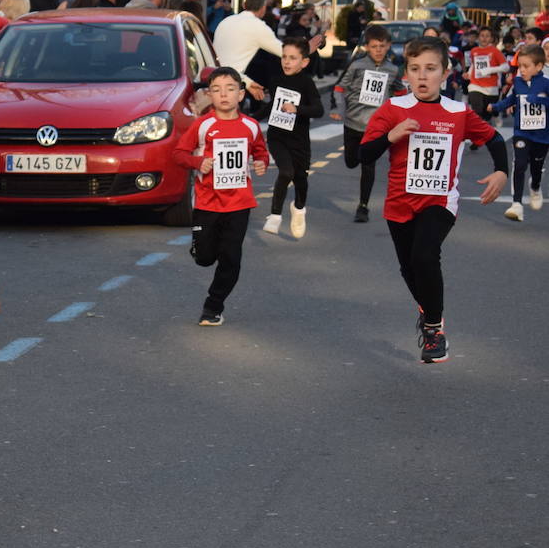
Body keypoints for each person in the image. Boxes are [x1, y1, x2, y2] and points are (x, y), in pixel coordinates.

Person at [358, 37, 508, 363]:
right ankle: (430, 310)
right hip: (399, 204)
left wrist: (501, 172)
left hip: (439, 201)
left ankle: (433, 329)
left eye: (430, 69)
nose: (422, 76)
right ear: (407, 75)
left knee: (425, 256)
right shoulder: (393, 109)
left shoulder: (458, 112)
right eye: (415, 69)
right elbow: (363, 154)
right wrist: (391, 136)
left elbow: (494, 139)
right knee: (409, 269)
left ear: (445, 72)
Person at [172, 67, 269, 326]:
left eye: (230, 89)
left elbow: (261, 153)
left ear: (240, 94)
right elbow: (179, 154)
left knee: (231, 258)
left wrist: (261, 163)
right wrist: (198, 162)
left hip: (239, 202)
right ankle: (199, 247)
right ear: (210, 96)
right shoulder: (203, 126)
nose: (223, 94)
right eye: (216, 89)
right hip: (207, 202)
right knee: (205, 258)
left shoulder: (251, 126)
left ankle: (212, 307)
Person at [331, 24, 407, 222]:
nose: (379, 50)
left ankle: (363, 206)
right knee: (351, 162)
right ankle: (354, 156)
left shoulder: (392, 70)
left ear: (389, 45)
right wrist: (340, 110)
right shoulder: (357, 66)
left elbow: (399, 91)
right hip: (353, 122)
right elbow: (340, 87)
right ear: (367, 47)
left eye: (382, 46)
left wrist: (400, 111)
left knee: (368, 165)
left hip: (375, 126)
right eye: (374, 46)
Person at [250, 38, 323, 237]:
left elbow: (318, 109)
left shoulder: (307, 83)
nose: (287, 62)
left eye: (293, 58)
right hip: (277, 137)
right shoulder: (276, 80)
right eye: (284, 57)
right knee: (286, 172)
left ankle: (299, 209)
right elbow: (271, 105)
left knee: (300, 178)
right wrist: (250, 119)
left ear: (304, 62)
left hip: (299, 140)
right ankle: (275, 215)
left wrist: (297, 109)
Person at [491, 44, 549, 221]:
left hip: (542, 135)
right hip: (522, 132)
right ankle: (516, 205)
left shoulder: (546, 84)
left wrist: (540, 100)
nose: (521, 70)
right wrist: (496, 107)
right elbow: (511, 99)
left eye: (526, 66)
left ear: (538, 66)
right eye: (520, 66)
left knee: (536, 167)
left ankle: (536, 186)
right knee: (520, 164)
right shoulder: (518, 82)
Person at [464, 25, 509, 122]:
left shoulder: (495, 51)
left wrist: (489, 70)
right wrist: (468, 73)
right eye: (482, 35)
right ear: (478, 37)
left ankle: (489, 127)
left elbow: (506, 67)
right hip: (475, 85)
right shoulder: (474, 51)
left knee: (487, 116)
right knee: (477, 111)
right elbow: (473, 65)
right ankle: (477, 133)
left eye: (487, 36)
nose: (484, 38)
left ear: (492, 38)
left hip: (491, 89)